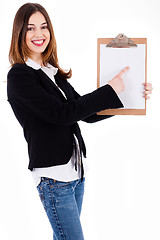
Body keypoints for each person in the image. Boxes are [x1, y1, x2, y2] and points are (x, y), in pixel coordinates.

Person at [7, 3, 153, 240]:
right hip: (54, 178)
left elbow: (86, 113)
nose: (39, 34)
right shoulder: (19, 76)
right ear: (19, 33)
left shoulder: (52, 72)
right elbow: (61, 113)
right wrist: (109, 90)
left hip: (75, 174)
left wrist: (131, 96)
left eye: (44, 27)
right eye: (30, 28)